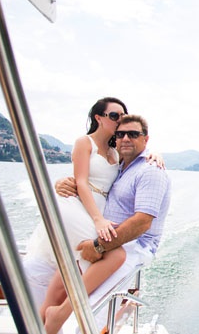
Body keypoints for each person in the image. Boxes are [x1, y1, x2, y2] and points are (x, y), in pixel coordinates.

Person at [43, 114, 171, 334]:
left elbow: (142, 223)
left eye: (133, 134)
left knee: (93, 316)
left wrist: (99, 247)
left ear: (146, 139)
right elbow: (92, 183)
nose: (126, 138)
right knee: (60, 290)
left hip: (131, 248)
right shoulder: (122, 167)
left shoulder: (150, 171)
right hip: (107, 241)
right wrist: (61, 183)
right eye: (120, 134)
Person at [26, 97, 129, 324]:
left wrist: (155, 156)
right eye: (114, 115)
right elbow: (81, 181)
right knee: (114, 254)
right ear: (99, 118)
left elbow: (139, 152)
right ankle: (65, 313)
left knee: (71, 271)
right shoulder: (84, 142)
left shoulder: (116, 150)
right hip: (76, 206)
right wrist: (98, 220)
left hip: (98, 208)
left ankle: (50, 319)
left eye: (123, 116)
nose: (120, 120)